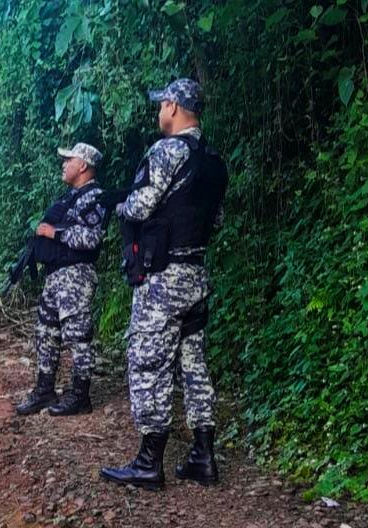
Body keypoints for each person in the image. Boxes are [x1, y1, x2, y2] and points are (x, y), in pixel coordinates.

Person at [99, 79, 228, 489]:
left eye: (162, 105)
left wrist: (115, 202)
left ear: (173, 107)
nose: (159, 112)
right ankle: (202, 457)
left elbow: (139, 205)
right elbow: (216, 220)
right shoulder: (213, 161)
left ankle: (148, 462)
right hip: (195, 274)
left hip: (163, 278)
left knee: (148, 361)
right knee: (193, 362)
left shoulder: (166, 150)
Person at [16, 143, 106, 417]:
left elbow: (92, 238)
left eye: (69, 160)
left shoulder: (95, 197)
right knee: (46, 333)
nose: (63, 164)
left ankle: (80, 395)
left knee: (77, 336)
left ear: (83, 166)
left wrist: (54, 233)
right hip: (56, 275)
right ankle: (44, 390)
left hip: (76, 275)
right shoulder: (70, 197)